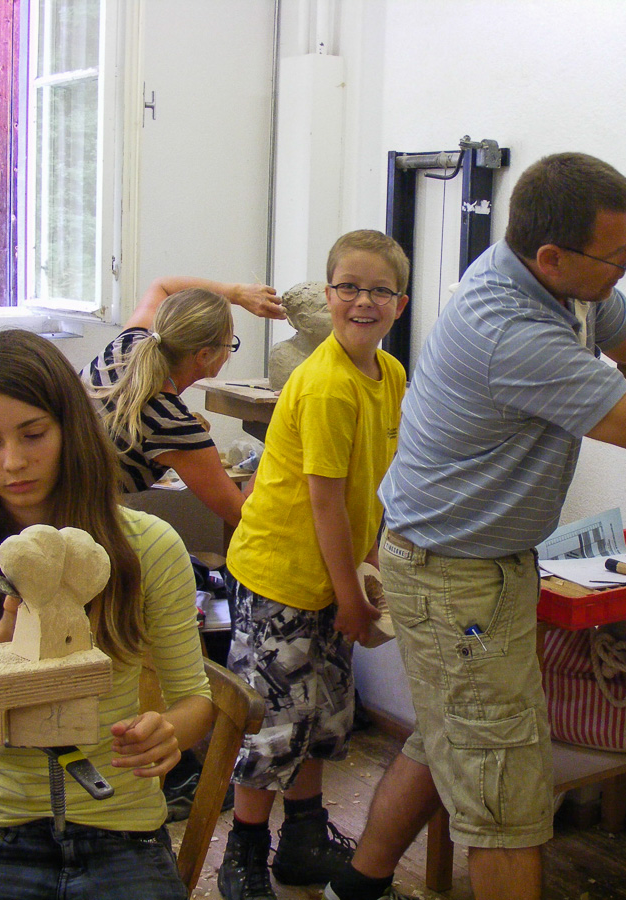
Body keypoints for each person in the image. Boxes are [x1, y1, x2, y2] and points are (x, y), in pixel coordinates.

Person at [323, 152, 626, 900]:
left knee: (454, 738)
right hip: (452, 576)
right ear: (551, 255)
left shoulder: (556, 285)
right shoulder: (508, 328)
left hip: (477, 561)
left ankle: (352, 890)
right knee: (508, 796)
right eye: (617, 254)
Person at [0, 329, 214, 900]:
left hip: (121, 831)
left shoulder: (148, 545)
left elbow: (195, 699)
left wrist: (168, 733)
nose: (14, 462)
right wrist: (4, 650)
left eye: (33, 434)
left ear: (71, 429)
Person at [217, 230, 409, 900]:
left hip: (333, 575)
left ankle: (302, 840)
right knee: (275, 721)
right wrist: (350, 596)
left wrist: (368, 565)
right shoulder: (326, 384)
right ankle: (243, 852)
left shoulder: (390, 376)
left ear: (400, 304)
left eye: (379, 290)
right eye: (349, 287)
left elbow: (372, 483)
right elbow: (324, 502)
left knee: (323, 712)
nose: (363, 301)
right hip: (282, 576)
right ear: (327, 296)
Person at [82, 276, 283, 525]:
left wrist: (237, 292)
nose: (228, 353)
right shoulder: (173, 425)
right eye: (229, 345)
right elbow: (243, 514)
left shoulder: (127, 344)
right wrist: (284, 424)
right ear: (204, 355)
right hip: (76, 519)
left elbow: (162, 286)